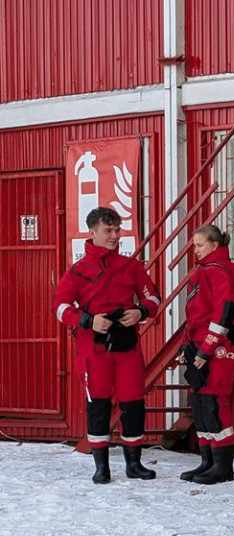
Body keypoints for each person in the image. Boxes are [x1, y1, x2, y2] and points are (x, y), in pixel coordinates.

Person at [53, 207, 160, 484]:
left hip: (127, 348)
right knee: (98, 406)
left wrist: (141, 312)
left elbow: (153, 297)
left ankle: (134, 465)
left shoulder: (131, 267)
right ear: (92, 232)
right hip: (93, 350)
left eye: (117, 230)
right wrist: (88, 320)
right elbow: (60, 307)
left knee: (133, 404)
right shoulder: (78, 271)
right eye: (108, 230)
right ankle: (101, 468)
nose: (114, 235)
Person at [178, 225, 234, 485]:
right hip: (201, 343)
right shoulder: (204, 270)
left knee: (215, 401)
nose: (195, 250)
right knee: (201, 402)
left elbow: (223, 312)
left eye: (200, 245)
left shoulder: (221, 271)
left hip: (220, 346)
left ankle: (223, 467)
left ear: (215, 245)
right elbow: (196, 315)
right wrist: (186, 346)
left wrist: (207, 348)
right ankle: (207, 461)